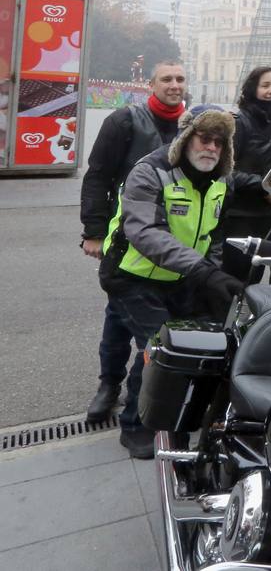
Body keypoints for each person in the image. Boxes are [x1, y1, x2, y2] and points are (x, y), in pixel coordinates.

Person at [100, 105, 245, 459]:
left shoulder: (221, 179)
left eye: (219, 142)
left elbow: (212, 234)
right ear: (186, 138)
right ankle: (137, 427)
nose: (211, 147)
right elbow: (145, 232)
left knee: (185, 342)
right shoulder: (150, 171)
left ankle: (161, 410)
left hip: (180, 277)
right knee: (159, 348)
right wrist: (205, 272)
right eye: (204, 138)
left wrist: (210, 278)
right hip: (131, 275)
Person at [79, 59, 187, 424]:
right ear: (152, 84)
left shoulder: (192, 126)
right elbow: (98, 176)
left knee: (155, 320)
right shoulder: (124, 121)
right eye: (167, 79)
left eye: (180, 79)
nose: (174, 85)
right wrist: (93, 231)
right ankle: (109, 384)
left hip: (172, 240)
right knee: (117, 317)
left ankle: (143, 393)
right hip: (124, 236)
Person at [223, 66, 271, 245]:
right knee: (238, 269)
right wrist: (265, 186)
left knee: (257, 270)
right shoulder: (239, 122)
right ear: (253, 88)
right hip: (240, 214)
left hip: (269, 212)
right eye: (265, 85)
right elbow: (226, 171)